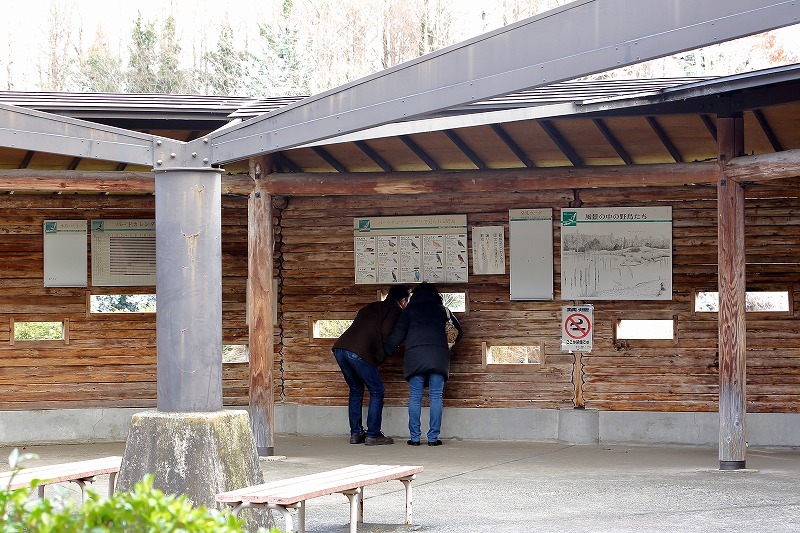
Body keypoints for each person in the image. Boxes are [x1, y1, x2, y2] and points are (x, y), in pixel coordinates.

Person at [384, 282, 462, 447]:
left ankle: (415, 438)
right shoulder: (442, 310)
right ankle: (433, 439)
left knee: (415, 397)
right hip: (438, 356)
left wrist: (384, 351)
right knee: (435, 397)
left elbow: (398, 334)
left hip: (415, 357)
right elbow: (458, 332)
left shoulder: (410, 311)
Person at [332, 284, 410, 445]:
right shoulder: (395, 310)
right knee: (377, 390)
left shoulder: (371, 306)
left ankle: (356, 434)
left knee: (355, 389)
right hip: (358, 352)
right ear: (403, 300)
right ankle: (373, 434)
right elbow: (386, 332)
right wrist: (385, 351)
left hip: (341, 348)